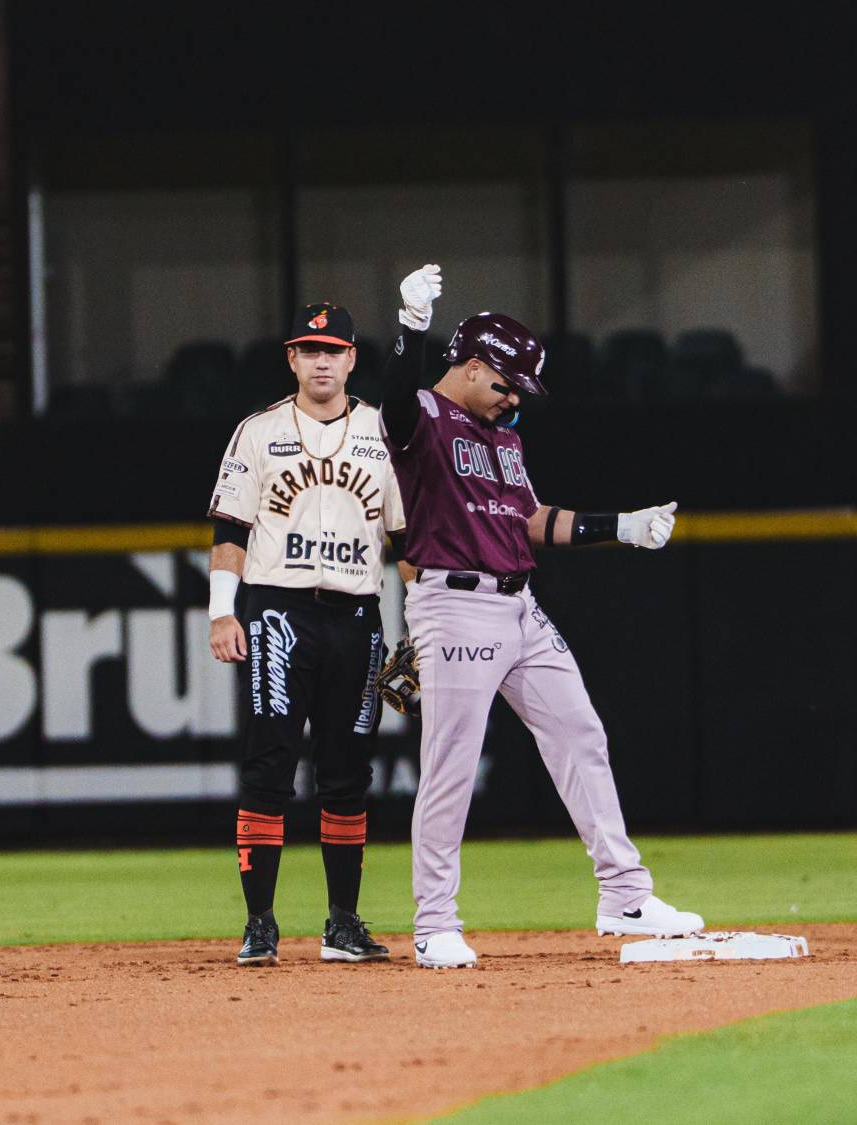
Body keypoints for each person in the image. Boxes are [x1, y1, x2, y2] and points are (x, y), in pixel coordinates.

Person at [378, 263, 705, 970]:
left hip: (519, 605)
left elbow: (530, 520)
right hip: (455, 605)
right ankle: (434, 920)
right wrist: (409, 328)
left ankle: (624, 894)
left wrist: (620, 525)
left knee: (581, 733)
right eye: (506, 385)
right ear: (469, 368)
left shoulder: (504, 436)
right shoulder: (426, 418)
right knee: (451, 767)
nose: (514, 400)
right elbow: (396, 397)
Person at [205, 301, 404, 967]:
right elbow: (231, 530)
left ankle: (342, 922)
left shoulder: (384, 433)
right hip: (279, 612)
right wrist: (221, 611)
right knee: (271, 763)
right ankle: (260, 921)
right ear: (292, 358)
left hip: (357, 617)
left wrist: (418, 631)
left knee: (347, 771)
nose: (322, 360)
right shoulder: (258, 433)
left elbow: (406, 542)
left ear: (352, 358)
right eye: (309, 349)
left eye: (334, 349)